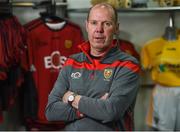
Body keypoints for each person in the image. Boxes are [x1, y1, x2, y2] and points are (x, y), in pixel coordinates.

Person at [45, 2, 140, 131]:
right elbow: (51, 111)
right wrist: (90, 109)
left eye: (106, 24)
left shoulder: (128, 64)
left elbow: (110, 111)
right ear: (87, 26)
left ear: (116, 28)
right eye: (94, 23)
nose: (99, 29)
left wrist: (72, 97)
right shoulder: (71, 62)